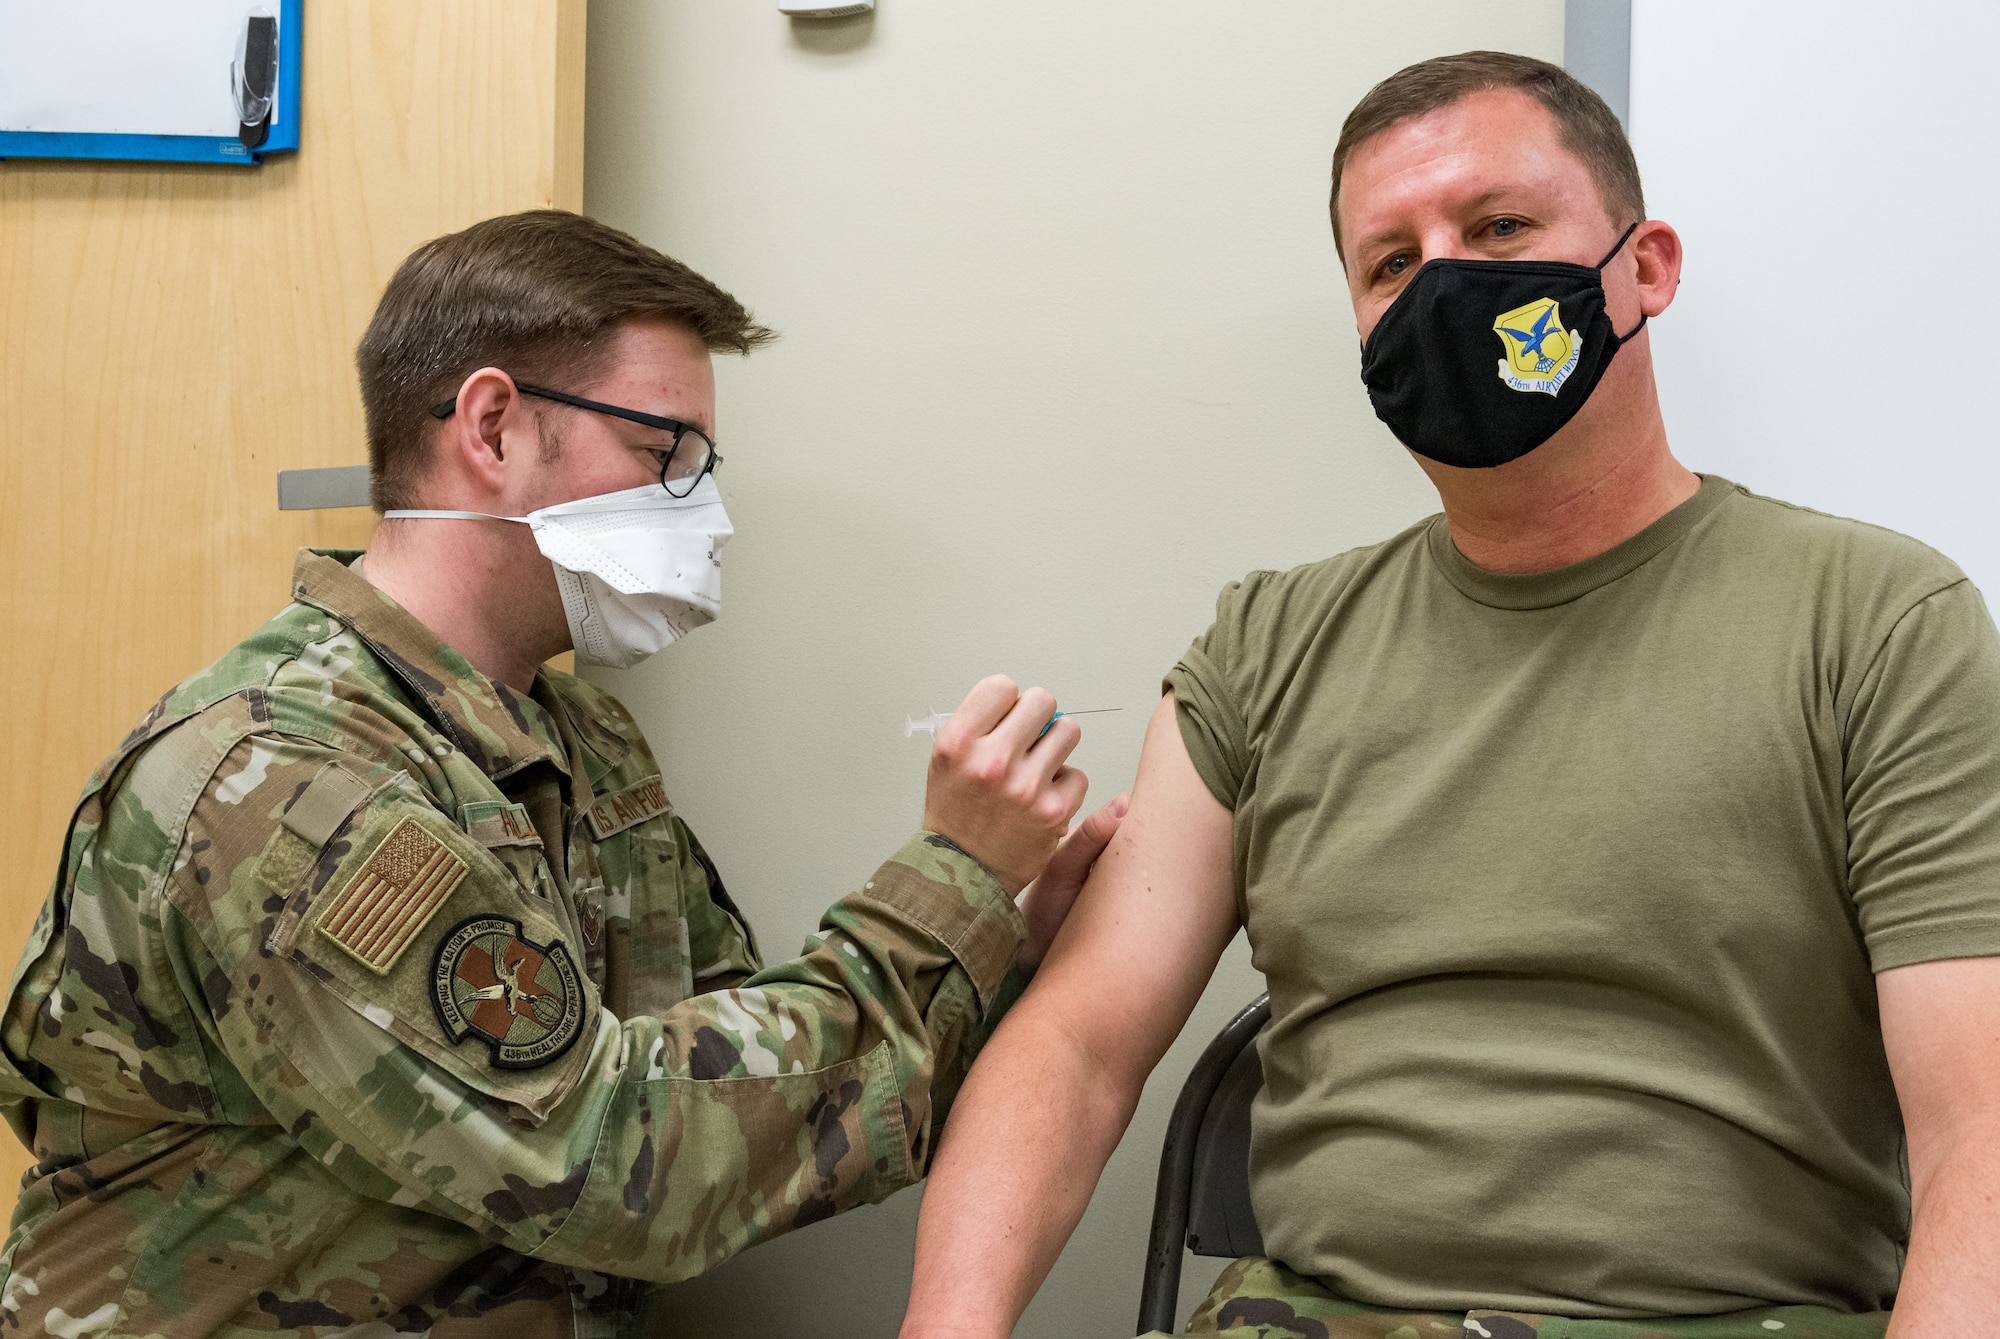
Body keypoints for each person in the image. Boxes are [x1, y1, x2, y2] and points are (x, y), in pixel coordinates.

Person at [898, 51, 2000, 1339]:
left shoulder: (1872, 622)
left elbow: (1977, 1126)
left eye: (1497, 229)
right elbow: (1078, 1045)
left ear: (1643, 268)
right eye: (1389, 263)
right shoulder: (1267, 645)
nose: (1444, 287)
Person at [0, 210, 1124, 1338]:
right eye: (662, 453)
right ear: (491, 427)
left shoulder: (577, 737)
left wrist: (1004, 945)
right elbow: (619, 1165)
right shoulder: (284, 780)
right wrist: (950, 877)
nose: (701, 508)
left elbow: (748, 1107)